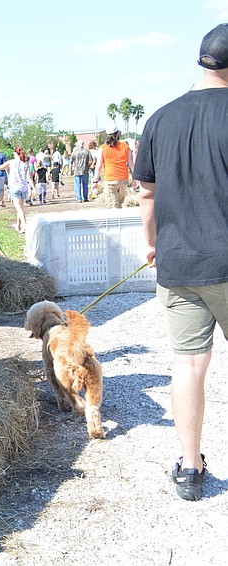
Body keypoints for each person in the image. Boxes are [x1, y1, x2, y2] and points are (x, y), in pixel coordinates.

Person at [134, 23, 228, 502]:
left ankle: (190, 469)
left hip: (179, 265)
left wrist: (151, 245)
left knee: (188, 365)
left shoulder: (160, 118)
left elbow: (146, 194)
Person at [93, 125, 134, 208]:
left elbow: (99, 166)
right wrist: (135, 178)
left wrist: (95, 181)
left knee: (113, 207)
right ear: (117, 133)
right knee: (120, 205)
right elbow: (131, 164)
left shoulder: (103, 148)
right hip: (123, 179)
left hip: (110, 180)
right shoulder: (125, 146)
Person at [0, 146, 35, 233]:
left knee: (19, 208)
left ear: (15, 153)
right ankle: (18, 226)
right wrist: (33, 188)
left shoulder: (11, 162)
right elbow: (29, 177)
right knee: (20, 208)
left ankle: (24, 225)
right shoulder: (25, 164)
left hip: (14, 187)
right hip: (24, 187)